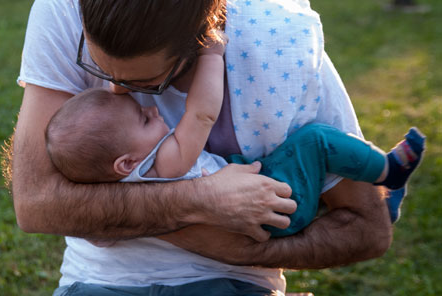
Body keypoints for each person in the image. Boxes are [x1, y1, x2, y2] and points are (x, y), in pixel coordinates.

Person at [13, 0, 396, 295]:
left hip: (234, 282)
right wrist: (202, 202)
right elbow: (36, 204)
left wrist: (239, 253)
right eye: (101, 71)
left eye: (144, 81)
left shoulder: (282, 49)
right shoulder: (64, 12)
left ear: (202, 42)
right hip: (99, 281)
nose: (120, 91)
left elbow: (368, 228)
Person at [45, 88, 424, 238]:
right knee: (314, 141)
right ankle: (389, 170)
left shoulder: (130, 176)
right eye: (144, 119)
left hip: (258, 198)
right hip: (272, 207)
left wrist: (119, 92)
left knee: (299, 158)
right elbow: (202, 115)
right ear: (126, 164)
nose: (151, 109)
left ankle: (383, 203)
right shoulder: (165, 162)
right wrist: (211, 52)